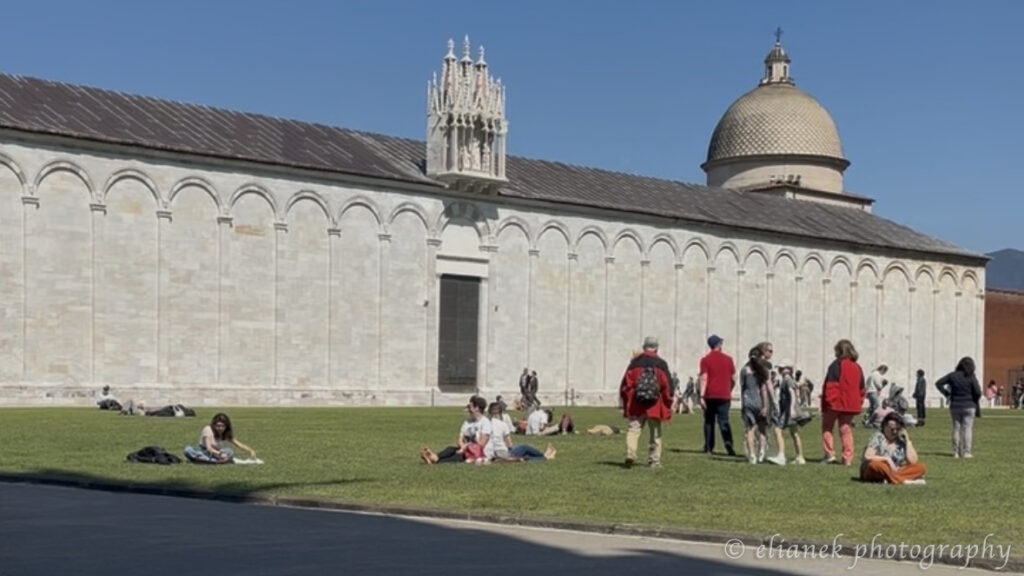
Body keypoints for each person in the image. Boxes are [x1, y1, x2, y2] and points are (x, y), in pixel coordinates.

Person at [619, 336, 673, 468]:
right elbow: (667, 386)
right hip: (655, 404)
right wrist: (668, 401)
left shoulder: (634, 363)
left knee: (633, 430)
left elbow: (626, 385)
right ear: (656, 348)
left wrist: (626, 401)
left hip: (636, 404)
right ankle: (654, 460)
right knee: (655, 433)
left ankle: (630, 454)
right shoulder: (661, 364)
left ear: (644, 347)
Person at [821, 339, 865, 466]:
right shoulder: (857, 367)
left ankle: (829, 454)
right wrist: (859, 401)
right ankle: (847, 458)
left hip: (835, 403)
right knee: (846, 430)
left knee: (827, 427)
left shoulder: (836, 365)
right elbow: (861, 388)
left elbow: (831, 385)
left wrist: (829, 401)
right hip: (850, 404)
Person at [740, 343, 786, 466]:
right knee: (762, 429)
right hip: (760, 402)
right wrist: (768, 404)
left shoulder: (744, 370)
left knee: (749, 429)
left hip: (747, 402)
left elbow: (742, 387)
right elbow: (765, 388)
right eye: (769, 351)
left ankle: (752, 455)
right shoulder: (763, 370)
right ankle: (761, 452)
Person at [859, 412, 926, 485]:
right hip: (876, 471)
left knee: (921, 467)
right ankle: (902, 480)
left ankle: (891, 479)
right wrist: (887, 459)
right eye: (892, 429)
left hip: (895, 470)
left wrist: (907, 440)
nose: (895, 432)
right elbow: (867, 456)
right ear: (884, 426)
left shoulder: (901, 441)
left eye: (898, 429)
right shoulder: (877, 437)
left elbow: (913, 461)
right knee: (876, 465)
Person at [699, 334, 737, 456]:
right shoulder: (728, 359)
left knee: (709, 422)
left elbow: (704, 378)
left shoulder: (705, 360)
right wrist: (729, 389)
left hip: (710, 395)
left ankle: (709, 447)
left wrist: (701, 396)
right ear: (719, 344)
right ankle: (728, 445)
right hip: (724, 396)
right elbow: (733, 378)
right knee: (724, 421)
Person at [936, 357, 982, 459]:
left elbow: (938, 383)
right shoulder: (970, 376)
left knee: (956, 428)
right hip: (969, 405)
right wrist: (974, 399)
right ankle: (967, 452)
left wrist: (947, 394)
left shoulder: (952, 376)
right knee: (967, 428)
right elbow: (978, 392)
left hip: (955, 405)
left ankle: (955, 452)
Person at [420, 395, 488, 464]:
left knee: (458, 456)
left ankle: (435, 460)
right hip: (465, 449)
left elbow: (481, 444)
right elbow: (459, 439)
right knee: (450, 449)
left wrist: (464, 449)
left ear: (477, 408)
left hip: (477, 453)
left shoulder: (485, 422)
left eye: (470, 407)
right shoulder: (467, 421)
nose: (468, 409)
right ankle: (435, 457)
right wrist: (462, 447)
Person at [184, 413, 256, 464]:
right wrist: (220, 453)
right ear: (214, 425)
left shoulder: (225, 433)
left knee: (230, 452)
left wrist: (251, 451)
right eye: (218, 426)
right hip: (204, 451)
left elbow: (238, 444)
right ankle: (215, 461)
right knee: (188, 450)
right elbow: (208, 448)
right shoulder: (208, 429)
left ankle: (207, 461)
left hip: (216, 454)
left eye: (222, 426)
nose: (220, 428)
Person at [778, 363, 811, 464]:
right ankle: (800, 456)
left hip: (788, 410)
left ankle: (781, 455)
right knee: (794, 433)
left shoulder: (787, 380)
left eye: (782, 368)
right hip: (789, 410)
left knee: (777, 430)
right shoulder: (787, 380)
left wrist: (792, 409)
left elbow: (792, 394)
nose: (781, 370)